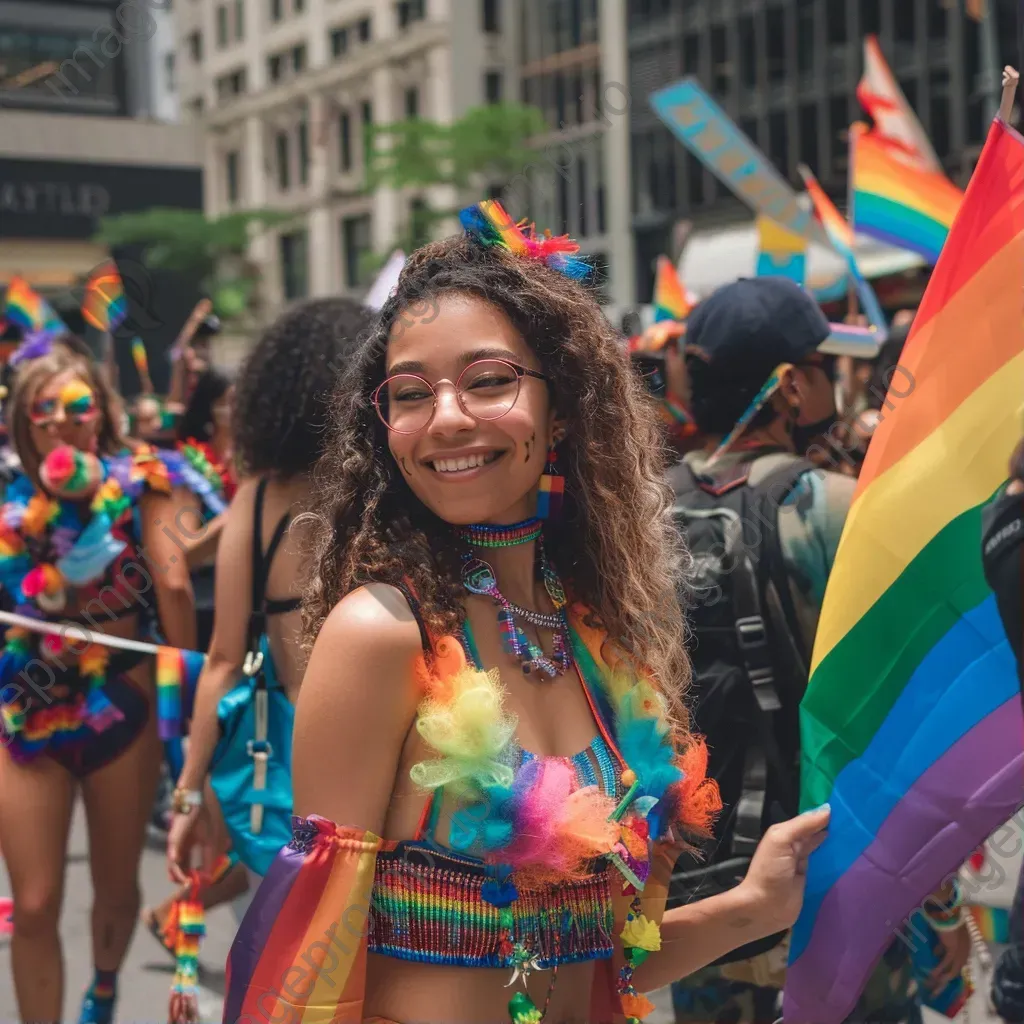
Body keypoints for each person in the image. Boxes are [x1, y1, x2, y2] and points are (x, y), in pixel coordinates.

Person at [220, 203, 831, 1024]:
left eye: (488, 380)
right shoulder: (380, 635)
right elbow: (301, 985)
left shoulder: (597, 640)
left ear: (565, 406)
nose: (446, 417)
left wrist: (756, 905)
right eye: (410, 393)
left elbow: (609, 968)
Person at [667, 278, 969, 1024]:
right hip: (842, 900)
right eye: (823, 366)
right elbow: (902, 729)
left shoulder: (641, 517)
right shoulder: (843, 509)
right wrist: (942, 902)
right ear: (791, 385)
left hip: (702, 904)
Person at [0, 338, 202, 1024]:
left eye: (75, 407)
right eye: (41, 412)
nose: (59, 422)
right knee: (31, 904)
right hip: (24, 706)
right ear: (24, 422)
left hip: (125, 701)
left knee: (117, 891)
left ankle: (106, 993)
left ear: (102, 413)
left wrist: (195, 710)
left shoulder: (144, 481)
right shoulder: (7, 499)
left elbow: (173, 588)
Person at [166, 297, 375, 920]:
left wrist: (187, 794)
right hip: (390, 792)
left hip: (284, 795)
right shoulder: (390, 498)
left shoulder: (255, 503)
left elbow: (225, 660)